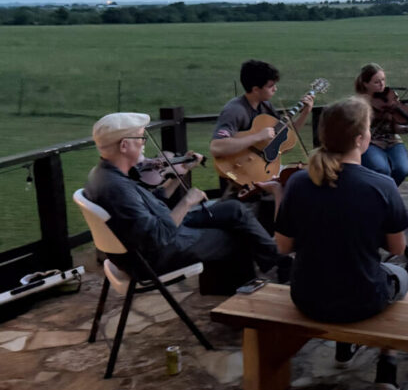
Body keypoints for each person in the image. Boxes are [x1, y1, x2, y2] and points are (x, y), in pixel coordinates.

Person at [274, 96, 408, 390]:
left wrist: (278, 197)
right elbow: (398, 248)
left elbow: (283, 246)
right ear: (360, 139)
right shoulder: (382, 185)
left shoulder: (298, 182)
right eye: (368, 128)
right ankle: (388, 365)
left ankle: (344, 347)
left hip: (307, 297)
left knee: (335, 262)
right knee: (403, 278)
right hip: (362, 301)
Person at [84, 112, 285, 281]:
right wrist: (187, 201)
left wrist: (179, 175)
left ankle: (277, 263)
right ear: (124, 146)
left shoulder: (103, 174)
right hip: (155, 257)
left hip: (150, 242)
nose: (144, 144)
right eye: (140, 138)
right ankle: (277, 272)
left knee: (234, 210)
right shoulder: (117, 188)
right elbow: (158, 235)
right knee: (236, 235)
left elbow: (152, 206)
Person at [210, 59, 314, 192]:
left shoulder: (265, 105)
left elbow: (285, 135)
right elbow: (216, 147)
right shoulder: (235, 110)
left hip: (264, 169)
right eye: (271, 86)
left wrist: (305, 112)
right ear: (255, 89)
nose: (275, 89)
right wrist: (258, 136)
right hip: (243, 173)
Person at [354, 63, 408, 186]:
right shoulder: (360, 102)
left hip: (392, 141)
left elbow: (395, 128)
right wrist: (376, 116)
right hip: (371, 142)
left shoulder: (390, 96)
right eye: (376, 82)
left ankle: (388, 191)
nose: (382, 84)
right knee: (382, 169)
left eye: (383, 80)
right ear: (365, 84)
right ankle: (383, 193)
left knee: (401, 170)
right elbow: (357, 128)